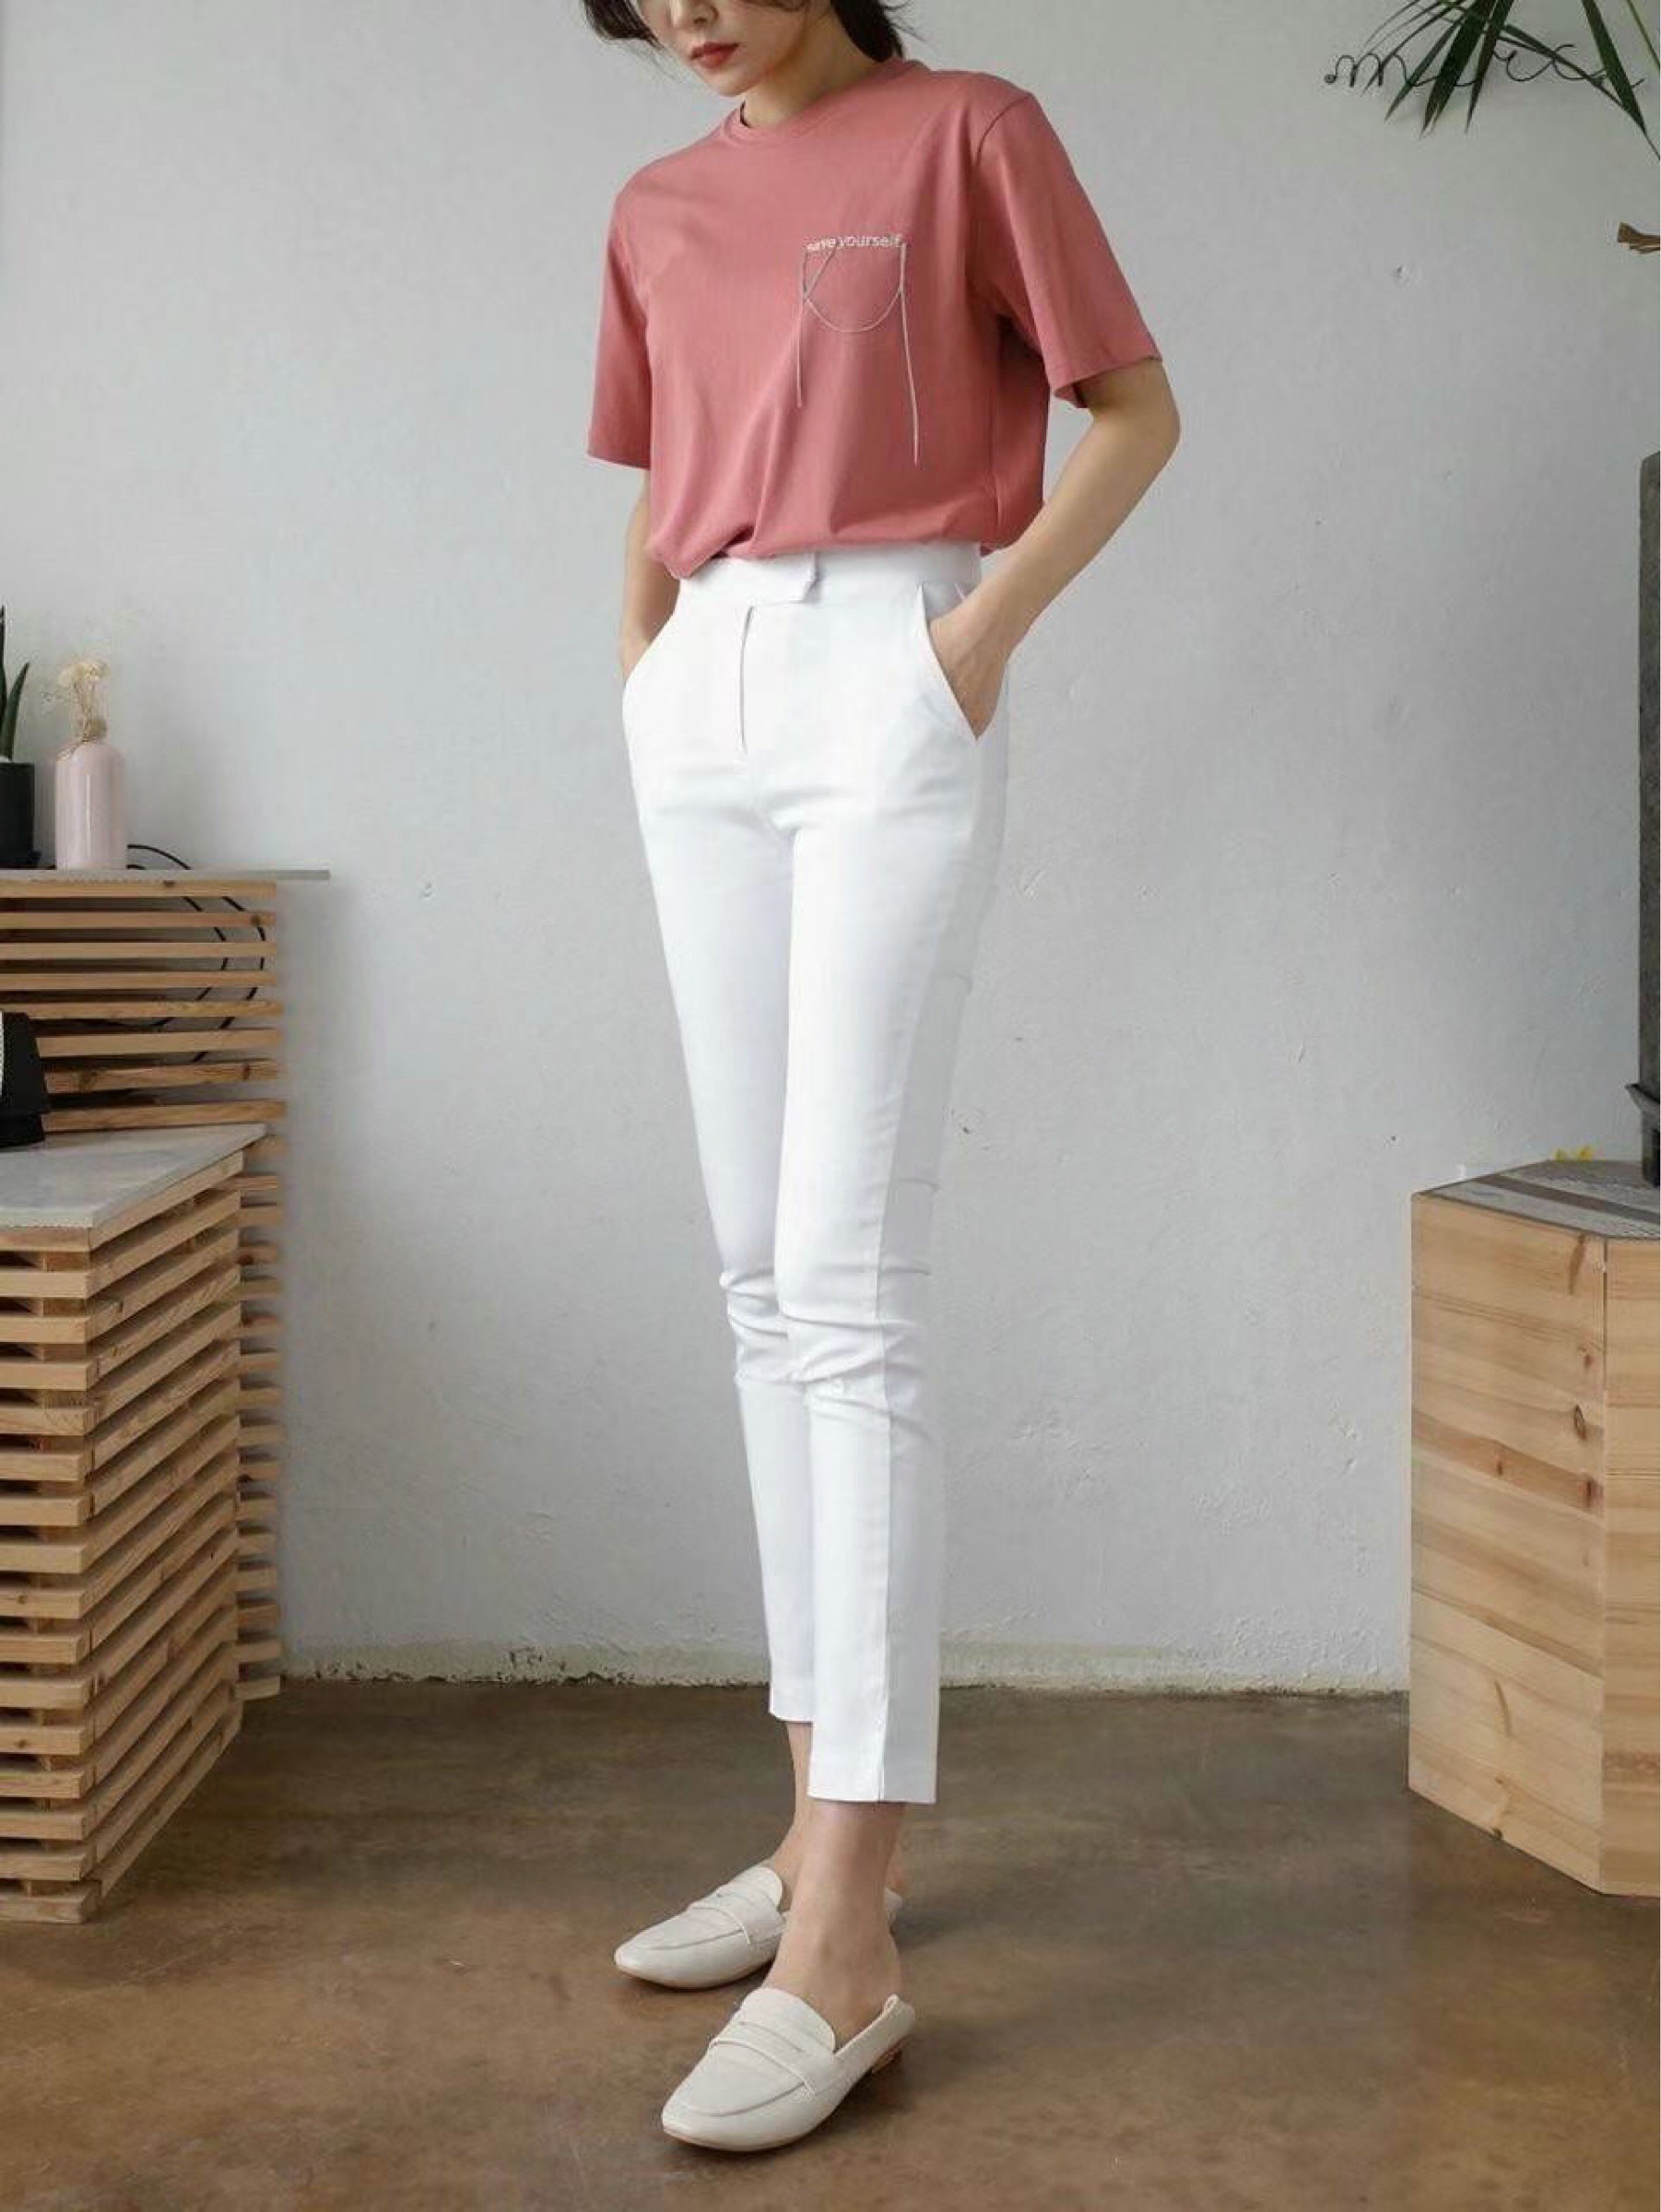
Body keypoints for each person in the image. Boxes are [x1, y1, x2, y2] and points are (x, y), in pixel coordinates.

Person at [584, 0, 1180, 2153]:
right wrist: (648, 677)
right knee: (759, 1276)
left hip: (895, 668)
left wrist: (970, 641)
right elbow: (662, 478)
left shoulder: (968, 132)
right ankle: (808, 1826)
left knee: (845, 1286)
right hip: (709, 697)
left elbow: (1134, 409)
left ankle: (846, 1935)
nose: (685, 10)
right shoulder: (658, 204)